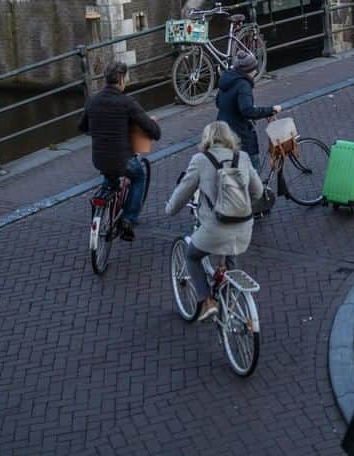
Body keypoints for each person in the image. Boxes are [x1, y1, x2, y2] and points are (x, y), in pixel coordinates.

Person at [164, 120, 263, 321]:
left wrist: (169, 209)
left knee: (192, 256)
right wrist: (239, 207)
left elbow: (183, 192)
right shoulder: (242, 157)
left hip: (215, 229)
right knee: (230, 254)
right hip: (244, 227)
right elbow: (258, 192)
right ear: (230, 138)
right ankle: (229, 304)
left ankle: (208, 301)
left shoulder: (200, 160)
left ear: (207, 139)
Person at [79, 61, 161, 242]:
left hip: (99, 160)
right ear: (122, 79)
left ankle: (107, 198)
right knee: (138, 177)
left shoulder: (93, 101)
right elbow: (153, 131)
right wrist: (153, 128)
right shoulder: (127, 102)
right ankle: (128, 219)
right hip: (122, 160)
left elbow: (82, 126)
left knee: (110, 179)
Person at [216, 50, 281, 175]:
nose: (256, 72)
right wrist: (271, 110)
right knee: (253, 169)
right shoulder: (243, 85)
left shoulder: (227, 79)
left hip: (222, 131)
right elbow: (247, 111)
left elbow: (219, 103)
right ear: (251, 70)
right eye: (255, 69)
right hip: (239, 135)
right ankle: (257, 192)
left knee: (230, 171)